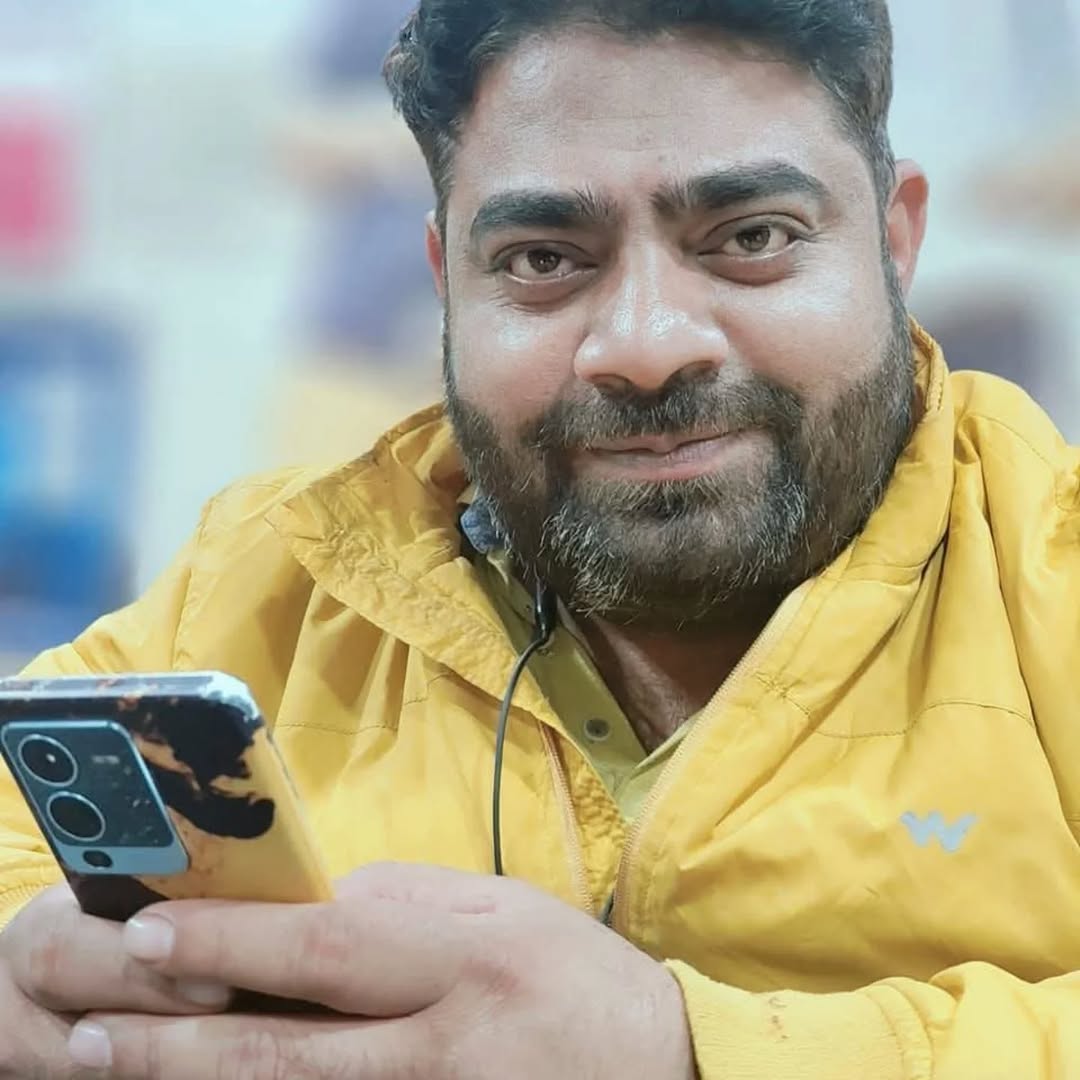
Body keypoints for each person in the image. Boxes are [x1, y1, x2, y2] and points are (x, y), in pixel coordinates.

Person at [1, 0, 1079, 1076]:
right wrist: (31, 981)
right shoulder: (277, 580)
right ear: (447, 280)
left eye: (753, 239)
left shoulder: (1053, 576)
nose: (646, 346)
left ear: (895, 239)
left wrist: (683, 1050)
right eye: (543, 258)